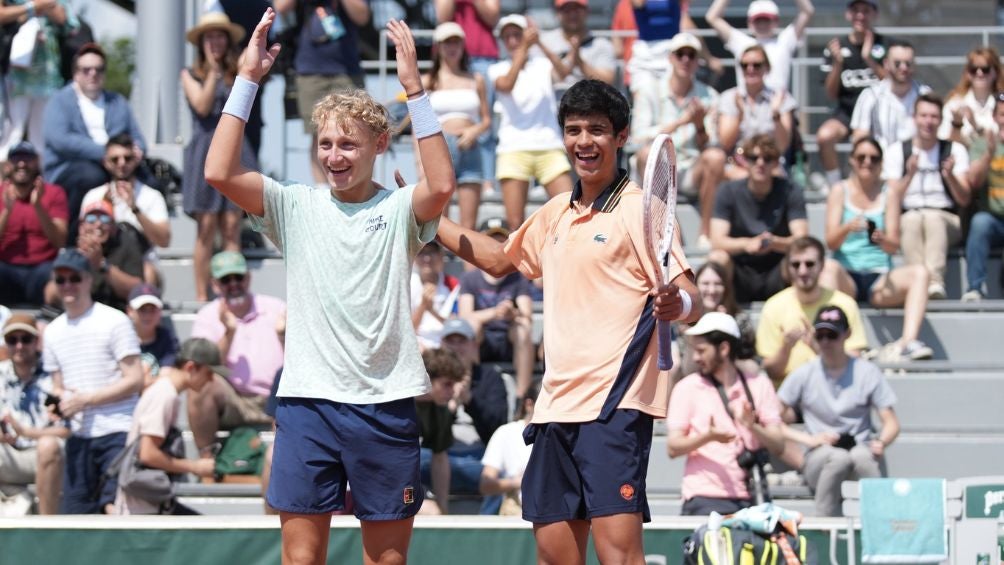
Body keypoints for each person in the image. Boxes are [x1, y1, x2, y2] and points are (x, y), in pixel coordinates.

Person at [205, 11, 455, 564]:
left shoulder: (396, 207)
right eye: (325, 144)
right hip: (307, 405)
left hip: (384, 405)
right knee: (299, 560)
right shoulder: (295, 204)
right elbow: (219, 172)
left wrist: (414, 89)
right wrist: (247, 80)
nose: (334, 156)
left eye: (348, 144)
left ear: (380, 145)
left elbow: (441, 185)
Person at [436, 78, 701, 564]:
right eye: (574, 130)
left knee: (619, 556)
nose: (584, 141)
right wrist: (430, 220)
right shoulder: (555, 211)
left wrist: (675, 307)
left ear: (620, 137)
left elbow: (690, 297)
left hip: (614, 407)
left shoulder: (644, 208)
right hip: (554, 408)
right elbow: (497, 259)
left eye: (597, 130)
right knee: (555, 555)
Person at [43, 247, 144, 514]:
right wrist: (58, 403)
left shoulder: (114, 321)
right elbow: (58, 385)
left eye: (74, 278)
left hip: (118, 430)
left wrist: (85, 399)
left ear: (88, 279)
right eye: (61, 279)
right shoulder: (52, 332)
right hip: (79, 435)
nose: (68, 285)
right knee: (75, 518)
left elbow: (135, 379)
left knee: (116, 510)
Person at [777, 305, 900, 517]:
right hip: (819, 455)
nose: (825, 342)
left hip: (857, 448)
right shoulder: (805, 372)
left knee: (862, 457)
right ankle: (823, 526)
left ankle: (882, 520)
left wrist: (881, 442)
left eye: (832, 335)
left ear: (847, 334)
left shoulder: (866, 371)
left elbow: (892, 423)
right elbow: (771, 420)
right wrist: (809, 440)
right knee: (838, 458)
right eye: (820, 335)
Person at [819, 137, 933, 362]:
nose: (867, 162)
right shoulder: (839, 191)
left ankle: (908, 342)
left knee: (921, 273)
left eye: (873, 158)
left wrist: (881, 239)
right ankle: (837, 339)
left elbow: (893, 246)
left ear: (881, 163)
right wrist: (847, 228)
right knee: (828, 267)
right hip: (847, 278)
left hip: (879, 278)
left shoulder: (888, 193)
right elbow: (831, 242)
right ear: (851, 160)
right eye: (861, 157)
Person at [667, 312, 784, 515]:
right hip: (704, 497)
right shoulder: (687, 388)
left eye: (702, 350)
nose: (696, 357)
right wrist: (708, 437)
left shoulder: (759, 385)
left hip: (753, 497)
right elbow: (673, 447)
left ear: (723, 348)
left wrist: (752, 426)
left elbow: (778, 444)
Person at [181, 12, 257, 303]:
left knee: (231, 225)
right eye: (210, 36)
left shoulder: (237, 71)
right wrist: (212, 71)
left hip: (236, 147)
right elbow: (201, 106)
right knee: (206, 226)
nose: (215, 42)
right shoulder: (189, 73)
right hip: (204, 150)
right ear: (201, 42)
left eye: (220, 36)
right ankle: (202, 295)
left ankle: (234, 291)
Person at [42, 42, 147, 234]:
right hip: (70, 167)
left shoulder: (117, 102)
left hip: (117, 164)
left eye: (98, 69)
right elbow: (59, 139)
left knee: (150, 182)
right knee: (90, 176)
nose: (93, 74)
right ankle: (73, 242)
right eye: (86, 69)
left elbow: (138, 138)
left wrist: (136, 151)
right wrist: (106, 152)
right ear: (75, 73)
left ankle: (137, 242)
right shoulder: (60, 100)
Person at [631, 32, 724, 248]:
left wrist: (699, 125)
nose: (685, 59)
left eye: (691, 55)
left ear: (697, 61)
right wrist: (682, 122)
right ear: (670, 58)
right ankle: (666, 229)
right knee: (647, 154)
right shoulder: (648, 91)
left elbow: (710, 145)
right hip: (658, 169)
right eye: (680, 54)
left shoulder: (709, 95)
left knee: (716, 157)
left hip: (690, 170)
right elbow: (637, 138)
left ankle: (706, 234)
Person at [112, 338, 225, 515]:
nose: (211, 380)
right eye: (208, 373)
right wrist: (195, 467)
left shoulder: (166, 391)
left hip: (147, 505)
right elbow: (148, 454)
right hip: (141, 510)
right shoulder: (165, 395)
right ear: (190, 368)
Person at [187, 251, 284, 451]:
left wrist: (283, 335)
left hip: (276, 397)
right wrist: (229, 333)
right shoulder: (207, 316)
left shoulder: (277, 308)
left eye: (238, 277)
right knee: (199, 384)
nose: (233, 284)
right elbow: (205, 369)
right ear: (215, 284)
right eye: (225, 280)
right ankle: (207, 461)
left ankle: (282, 463)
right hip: (234, 401)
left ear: (248, 278)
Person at [489, 14, 574, 229]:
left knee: (570, 210)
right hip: (513, 148)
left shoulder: (542, 64)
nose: (512, 41)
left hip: (548, 145)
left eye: (517, 35)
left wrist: (540, 43)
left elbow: (565, 73)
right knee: (515, 223)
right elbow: (507, 84)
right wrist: (526, 48)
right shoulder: (496, 69)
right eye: (507, 36)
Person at [883, 94, 971, 299]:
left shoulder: (954, 150)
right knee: (913, 219)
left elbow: (964, 198)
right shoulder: (897, 151)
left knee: (932, 218)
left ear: (940, 120)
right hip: (909, 215)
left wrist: (950, 177)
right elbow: (892, 198)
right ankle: (916, 280)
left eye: (933, 116)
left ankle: (934, 282)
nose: (928, 122)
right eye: (923, 115)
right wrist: (909, 175)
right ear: (914, 118)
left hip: (946, 217)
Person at [273, 0, 369, 186]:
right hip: (309, 73)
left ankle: (352, 189)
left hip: (346, 72)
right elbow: (279, 6)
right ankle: (323, 191)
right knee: (319, 134)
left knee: (353, 132)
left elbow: (362, 16)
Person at [708, 134, 808, 304]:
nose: (760, 163)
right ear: (745, 161)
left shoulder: (791, 191)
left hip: (778, 269)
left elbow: (802, 240)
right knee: (717, 259)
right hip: (740, 269)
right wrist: (748, 244)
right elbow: (717, 241)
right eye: (754, 158)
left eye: (767, 158)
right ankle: (713, 320)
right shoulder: (728, 191)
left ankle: (800, 315)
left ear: (776, 163)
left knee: (802, 259)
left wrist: (773, 243)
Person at [755, 236, 868, 383]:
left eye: (809, 264)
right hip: (787, 395)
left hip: (834, 392)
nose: (802, 271)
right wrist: (786, 347)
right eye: (795, 265)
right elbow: (771, 371)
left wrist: (819, 348)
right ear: (787, 268)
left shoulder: (845, 304)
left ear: (821, 266)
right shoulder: (773, 306)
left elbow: (854, 363)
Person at [418, 22, 491, 231]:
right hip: (440, 147)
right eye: (446, 43)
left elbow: (486, 120)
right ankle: (439, 261)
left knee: (468, 226)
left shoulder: (476, 79)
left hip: (470, 146)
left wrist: (473, 130)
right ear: (438, 47)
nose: (452, 47)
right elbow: (419, 126)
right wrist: (421, 164)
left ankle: (469, 265)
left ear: (462, 46)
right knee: (439, 224)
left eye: (456, 42)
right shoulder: (428, 80)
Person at [0, 313, 69, 515]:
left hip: (45, 456)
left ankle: (46, 528)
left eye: (26, 339)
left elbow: (68, 430)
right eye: (13, 340)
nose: (19, 346)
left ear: (37, 341)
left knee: (48, 446)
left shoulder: (54, 377)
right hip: (8, 454)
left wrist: (26, 432)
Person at [815, 0, 888, 189]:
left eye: (866, 11)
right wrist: (838, 63)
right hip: (846, 112)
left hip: (880, 114)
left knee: (860, 139)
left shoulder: (886, 45)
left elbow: (892, 85)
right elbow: (830, 94)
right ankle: (835, 186)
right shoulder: (835, 47)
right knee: (824, 136)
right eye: (856, 11)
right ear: (848, 14)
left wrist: (868, 59)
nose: (860, 16)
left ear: (875, 14)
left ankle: (872, 186)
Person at [458, 217, 535, 398]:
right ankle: (471, 388)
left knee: (523, 329)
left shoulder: (519, 277)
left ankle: (521, 396)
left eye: (502, 240)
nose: (497, 245)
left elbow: (527, 316)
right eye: (492, 240)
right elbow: (465, 318)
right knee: (471, 327)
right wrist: (495, 313)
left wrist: (511, 313)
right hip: (482, 339)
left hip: (509, 338)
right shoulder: (470, 278)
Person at [81, 134, 171, 286]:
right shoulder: (93, 196)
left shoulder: (152, 196)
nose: (121, 164)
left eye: (127, 158)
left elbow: (164, 240)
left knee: (148, 273)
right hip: (103, 261)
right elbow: (83, 236)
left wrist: (135, 208)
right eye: (115, 159)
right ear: (106, 163)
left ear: (136, 160)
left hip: (140, 263)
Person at [0, 0, 73, 159]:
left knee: (41, 136)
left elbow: (65, 20)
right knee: (11, 133)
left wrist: (44, 6)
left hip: (47, 77)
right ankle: (3, 179)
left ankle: (39, 178)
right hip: (16, 77)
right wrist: (31, 8)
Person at [0, 141, 68, 307]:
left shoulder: (54, 193)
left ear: (37, 162)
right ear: (8, 165)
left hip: (43, 268)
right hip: (6, 267)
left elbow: (59, 241)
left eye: (27, 158)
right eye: (16, 158)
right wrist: (7, 211)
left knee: (61, 276)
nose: (22, 164)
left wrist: (38, 206)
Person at [47, 199, 147, 311]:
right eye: (91, 219)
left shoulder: (126, 247)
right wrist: (76, 265)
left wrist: (102, 264)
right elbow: (50, 295)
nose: (98, 224)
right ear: (81, 227)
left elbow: (137, 291)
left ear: (113, 227)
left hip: (116, 312)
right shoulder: (71, 253)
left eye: (105, 219)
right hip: (78, 314)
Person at [671, 262, 758, 383]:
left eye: (718, 284)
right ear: (695, 287)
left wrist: (725, 329)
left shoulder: (739, 320)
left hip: (732, 380)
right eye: (705, 284)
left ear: (726, 288)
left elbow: (752, 367)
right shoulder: (685, 321)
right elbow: (688, 371)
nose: (712, 290)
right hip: (696, 383)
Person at [705, 0, 814, 94]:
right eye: (758, 20)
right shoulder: (741, 42)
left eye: (766, 20)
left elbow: (807, 12)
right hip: (746, 109)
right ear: (749, 23)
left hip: (779, 107)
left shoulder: (784, 41)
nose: (762, 24)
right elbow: (712, 17)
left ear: (776, 21)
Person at [717, 45, 798, 164]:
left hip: (769, 165)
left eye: (756, 65)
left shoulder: (781, 98)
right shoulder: (729, 98)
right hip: (737, 164)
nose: (750, 69)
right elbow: (725, 143)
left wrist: (775, 113)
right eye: (745, 65)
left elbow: (782, 146)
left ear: (767, 67)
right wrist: (739, 116)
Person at [850, 40, 931, 149]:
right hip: (882, 162)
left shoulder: (925, 95)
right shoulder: (870, 96)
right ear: (886, 64)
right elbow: (859, 137)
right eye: (897, 63)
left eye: (908, 63)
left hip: (917, 161)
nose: (903, 68)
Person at [962, 94, 1004, 301]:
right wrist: (989, 153)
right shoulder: (981, 144)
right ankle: (975, 288)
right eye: (1002, 114)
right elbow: (973, 183)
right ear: (995, 117)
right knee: (979, 223)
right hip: (993, 218)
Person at [416, 346, 467, 515]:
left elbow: (440, 458)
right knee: (422, 508)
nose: (452, 391)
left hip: (405, 485)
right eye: (447, 384)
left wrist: (443, 505)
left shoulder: (440, 409)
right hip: (377, 482)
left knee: (435, 512)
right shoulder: (395, 403)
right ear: (428, 379)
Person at [479, 380, 539, 515]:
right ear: (529, 404)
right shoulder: (506, 433)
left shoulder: (563, 436)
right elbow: (485, 484)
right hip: (516, 514)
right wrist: (516, 482)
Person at [538, 0, 617, 100]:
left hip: (589, 105)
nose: (572, 14)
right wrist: (569, 60)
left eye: (577, 9)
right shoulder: (544, 42)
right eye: (567, 10)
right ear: (558, 13)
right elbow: (540, 80)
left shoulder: (602, 45)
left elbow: (606, 82)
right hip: (553, 106)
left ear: (587, 11)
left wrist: (579, 61)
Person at [940, 47, 1003, 149]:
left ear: (996, 72)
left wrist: (975, 125)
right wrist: (957, 124)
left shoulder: (1002, 105)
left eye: (985, 69)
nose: (979, 73)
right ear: (967, 73)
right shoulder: (954, 104)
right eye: (973, 69)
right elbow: (945, 143)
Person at [125, 284, 179, 389]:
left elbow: (166, 377)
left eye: (152, 309)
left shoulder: (167, 338)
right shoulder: (121, 337)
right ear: (130, 311)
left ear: (160, 311)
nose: (148, 315)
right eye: (142, 309)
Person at [411, 241, 461, 350]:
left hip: (446, 341)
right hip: (417, 342)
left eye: (431, 252)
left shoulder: (453, 284)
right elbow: (408, 330)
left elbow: (454, 327)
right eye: (421, 253)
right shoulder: (408, 284)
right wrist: (423, 306)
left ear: (441, 255)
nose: (427, 258)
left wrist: (431, 310)